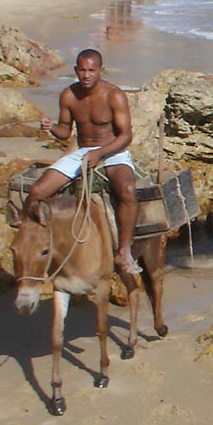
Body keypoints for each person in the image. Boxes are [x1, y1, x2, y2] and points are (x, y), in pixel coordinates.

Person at [25, 48, 141, 275]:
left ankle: (124, 251)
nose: (86, 75)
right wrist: (51, 129)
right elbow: (65, 132)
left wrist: (100, 154)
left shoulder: (114, 95)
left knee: (127, 190)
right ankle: (32, 240)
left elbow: (126, 136)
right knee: (38, 191)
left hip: (112, 150)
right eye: (82, 70)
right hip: (82, 151)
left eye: (91, 70)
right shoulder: (69, 95)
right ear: (75, 70)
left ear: (101, 71)